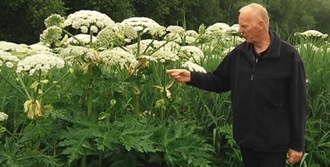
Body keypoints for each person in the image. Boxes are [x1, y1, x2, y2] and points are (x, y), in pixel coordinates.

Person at [167, 3, 307, 167]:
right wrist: (191, 77)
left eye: (244, 26)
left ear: (261, 25)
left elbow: (299, 102)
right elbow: (219, 81)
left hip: (274, 144)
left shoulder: (288, 56)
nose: (240, 30)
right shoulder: (239, 54)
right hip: (246, 140)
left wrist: (297, 145)